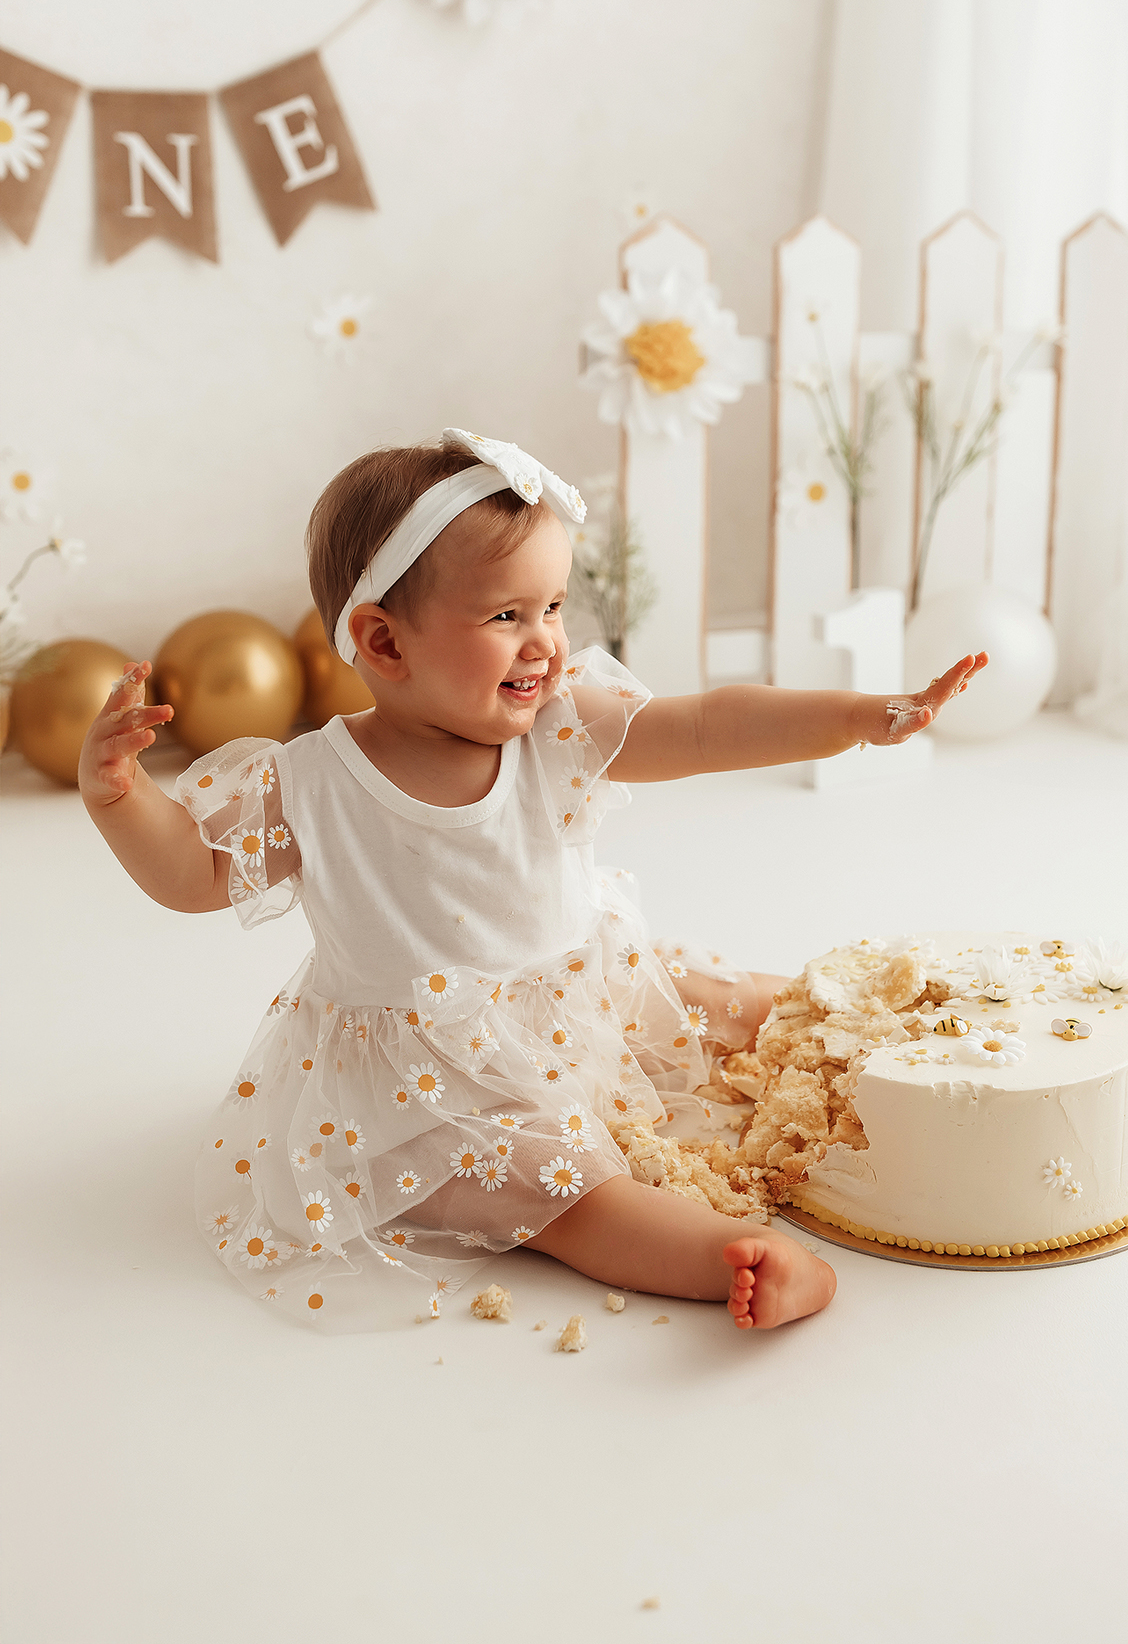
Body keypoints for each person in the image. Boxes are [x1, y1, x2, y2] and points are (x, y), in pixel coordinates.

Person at [79, 430, 985, 1334]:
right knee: (567, 1195)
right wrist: (120, 800)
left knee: (741, 1001)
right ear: (384, 642)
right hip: (434, 1084)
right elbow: (197, 877)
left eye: (553, 607)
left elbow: (709, 726)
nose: (546, 643)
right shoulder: (310, 785)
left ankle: (919, 1032)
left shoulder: (559, 724)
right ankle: (742, 1260)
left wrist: (863, 715)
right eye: (506, 617)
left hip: (578, 992)